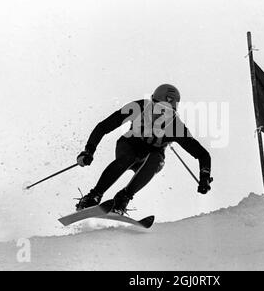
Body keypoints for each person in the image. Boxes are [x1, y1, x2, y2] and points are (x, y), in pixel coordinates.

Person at [75, 84, 212, 214]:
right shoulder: (138, 107)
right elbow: (103, 127)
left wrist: (204, 176)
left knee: (157, 159)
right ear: (151, 102)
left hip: (150, 158)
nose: (161, 114)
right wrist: (89, 151)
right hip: (128, 146)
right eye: (158, 107)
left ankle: (123, 198)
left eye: (167, 111)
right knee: (129, 157)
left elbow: (202, 154)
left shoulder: (175, 127)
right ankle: (94, 196)